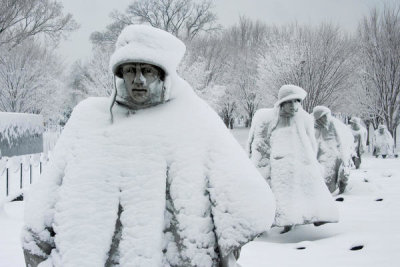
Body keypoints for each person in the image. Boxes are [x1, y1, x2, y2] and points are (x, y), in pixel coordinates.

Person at [22, 25, 275, 267]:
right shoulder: (89, 119)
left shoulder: (192, 117)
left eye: (147, 70)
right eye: (130, 70)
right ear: (120, 75)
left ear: (162, 74)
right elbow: (47, 198)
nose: (139, 79)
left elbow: (242, 191)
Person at [247, 85, 338, 234]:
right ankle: (283, 226)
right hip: (279, 165)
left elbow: (311, 144)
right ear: (282, 103)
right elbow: (260, 143)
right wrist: (267, 156)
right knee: (281, 198)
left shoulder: (305, 119)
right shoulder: (270, 119)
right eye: (289, 102)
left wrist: (310, 163)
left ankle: (307, 220)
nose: (293, 105)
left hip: (300, 164)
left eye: (296, 101)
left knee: (305, 196)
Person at [312, 106, 354, 194]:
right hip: (318, 155)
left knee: (331, 174)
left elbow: (339, 140)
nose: (326, 118)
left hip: (332, 153)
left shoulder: (333, 124)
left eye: (326, 116)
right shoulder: (311, 126)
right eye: (323, 116)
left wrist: (341, 154)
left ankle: (330, 191)